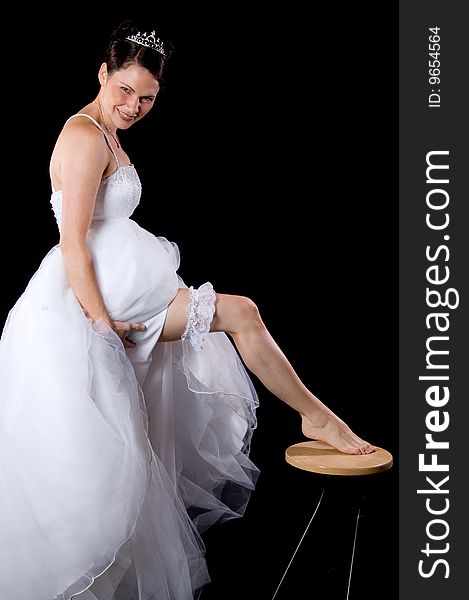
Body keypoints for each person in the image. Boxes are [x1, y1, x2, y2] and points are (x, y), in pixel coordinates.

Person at [0, 19, 375, 600]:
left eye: (147, 98)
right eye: (124, 90)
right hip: (89, 305)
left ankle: (315, 415)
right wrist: (100, 326)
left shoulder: (108, 132)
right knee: (234, 319)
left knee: (221, 338)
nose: (133, 106)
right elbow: (73, 240)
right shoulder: (82, 136)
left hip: (125, 288)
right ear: (102, 73)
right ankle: (316, 416)